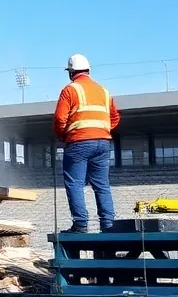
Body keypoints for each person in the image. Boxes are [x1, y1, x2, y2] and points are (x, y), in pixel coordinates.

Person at [54, 53, 120, 233]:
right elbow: (114, 117)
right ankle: (108, 226)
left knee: (75, 183)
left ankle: (81, 224)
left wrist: (63, 136)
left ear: (71, 72)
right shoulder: (104, 91)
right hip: (103, 143)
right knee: (102, 185)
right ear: (88, 70)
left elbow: (60, 119)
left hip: (79, 142)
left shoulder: (70, 90)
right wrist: (100, 130)